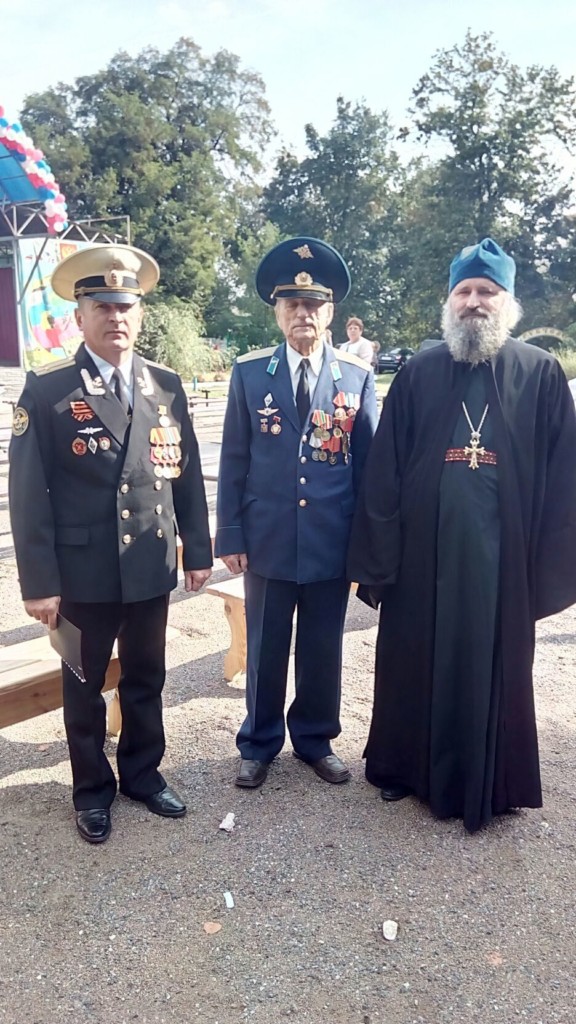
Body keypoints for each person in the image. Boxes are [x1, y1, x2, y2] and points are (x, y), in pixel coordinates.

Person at [347, 237, 576, 833]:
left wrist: (548, 564)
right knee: (411, 660)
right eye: (464, 291)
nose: (474, 301)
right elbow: (384, 471)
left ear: (508, 301)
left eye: (487, 291)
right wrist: (380, 558)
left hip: (504, 563)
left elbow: (565, 477)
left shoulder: (540, 373)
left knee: (494, 668)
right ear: (449, 300)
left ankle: (494, 780)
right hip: (423, 560)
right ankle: (404, 767)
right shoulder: (419, 372)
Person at [9, 243, 213, 844]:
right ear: (80, 316)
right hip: (82, 573)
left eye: (125, 306)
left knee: (146, 677)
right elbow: (27, 494)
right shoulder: (49, 389)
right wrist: (39, 583)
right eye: (102, 306)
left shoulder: (164, 384)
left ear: (140, 314)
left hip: (148, 562)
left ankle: (144, 775)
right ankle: (92, 791)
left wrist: (198, 550)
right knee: (84, 686)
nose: (115, 317)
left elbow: (184, 476)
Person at [215, 236, 378, 788]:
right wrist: (230, 534)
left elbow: (368, 467)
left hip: (332, 538)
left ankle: (315, 739)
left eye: (313, 304)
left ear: (330, 313)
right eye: (292, 304)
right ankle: (259, 743)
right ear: (277, 312)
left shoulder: (355, 376)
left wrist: (365, 546)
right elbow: (234, 459)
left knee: (322, 645)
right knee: (264, 645)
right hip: (268, 537)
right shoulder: (249, 373)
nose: (302, 313)